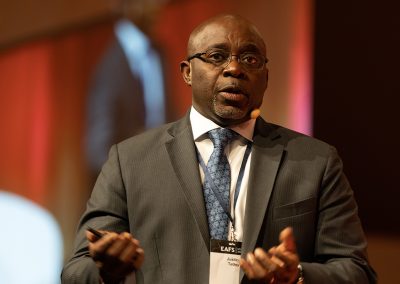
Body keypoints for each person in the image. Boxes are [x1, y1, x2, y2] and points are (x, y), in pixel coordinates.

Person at [62, 14, 377, 283]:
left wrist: (297, 274)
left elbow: (357, 270)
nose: (234, 69)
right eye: (217, 56)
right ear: (187, 72)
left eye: (250, 59)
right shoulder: (130, 160)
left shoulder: (315, 161)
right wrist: (106, 271)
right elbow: (76, 270)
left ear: (265, 77)